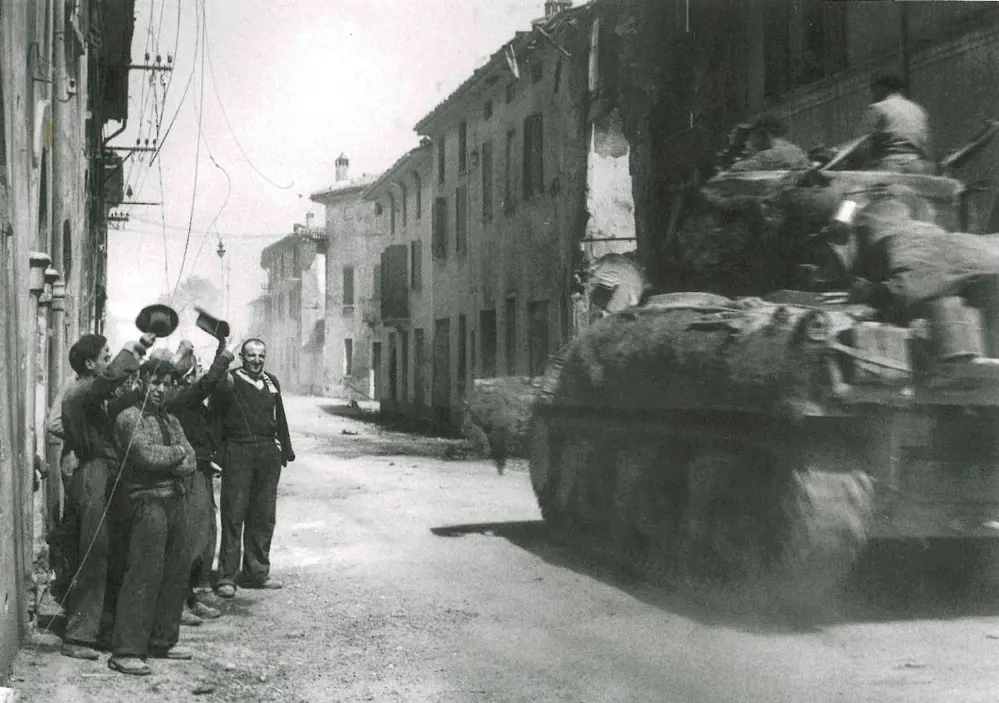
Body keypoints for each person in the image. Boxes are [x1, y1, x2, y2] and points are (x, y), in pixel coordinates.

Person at [59, 332, 155, 661]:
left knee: (107, 549)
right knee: (93, 552)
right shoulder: (81, 391)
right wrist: (136, 350)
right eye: (104, 356)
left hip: (103, 473)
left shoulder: (91, 395)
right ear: (89, 363)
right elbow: (109, 382)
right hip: (92, 474)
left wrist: (141, 386)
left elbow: (113, 401)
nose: (107, 361)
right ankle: (77, 636)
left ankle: (97, 629)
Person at [108, 349, 197, 676]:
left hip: (173, 500)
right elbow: (145, 456)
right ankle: (127, 649)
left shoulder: (171, 419)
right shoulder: (129, 417)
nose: (161, 389)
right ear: (141, 382)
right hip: (144, 502)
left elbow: (193, 461)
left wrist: (175, 456)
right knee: (144, 572)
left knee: (175, 571)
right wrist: (177, 454)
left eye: (167, 383)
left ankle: (162, 641)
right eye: (155, 382)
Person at [210, 339, 294, 598]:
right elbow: (216, 417)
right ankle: (227, 576)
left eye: (261, 355)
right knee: (234, 514)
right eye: (251, 355)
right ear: (242, 357)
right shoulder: (230, 381)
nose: (256, 360)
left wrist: (284, 449)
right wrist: (217, 454)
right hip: (239, 450)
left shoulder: (271, 382)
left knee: (263, 515)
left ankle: (256, 572)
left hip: (267, 453)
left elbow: (280, 417)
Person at [863, 73, 934, 174]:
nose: (872, 93)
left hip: (891, 167)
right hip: (918, 167)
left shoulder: (878, 108)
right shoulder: (917, 109)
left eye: (873, 88)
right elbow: (927, 145)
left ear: (881, 88)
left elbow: (864, 144)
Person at [726, 116, 811, 172]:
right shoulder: (795, 150)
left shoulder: (768, 155)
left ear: (762, 134)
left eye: (751, 135)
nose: (749, 141)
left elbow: (735, 169)